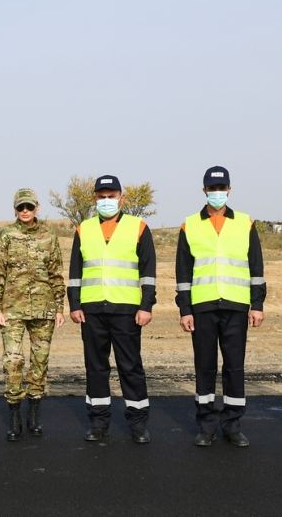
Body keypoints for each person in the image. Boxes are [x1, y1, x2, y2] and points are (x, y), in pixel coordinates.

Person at [175, 166, 265, 448]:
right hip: (202, 307)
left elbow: (256, 268)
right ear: (204, 190)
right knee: (204, 367)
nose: (217, 192)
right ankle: (206, 426)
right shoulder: (190, 225)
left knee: (234, 368)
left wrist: (257, 304)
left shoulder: (245, 223)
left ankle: (233, 425)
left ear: (229, 190)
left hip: (236, 306)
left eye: (221, 188)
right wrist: (185, 309)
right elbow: (183, 273)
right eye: (212, 188)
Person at [68, 175, 157, 444]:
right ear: (94, 198)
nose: (106, 200)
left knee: (130, 367)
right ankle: (98, 423)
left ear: (121, 197)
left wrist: (146, 306)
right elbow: (75, 272)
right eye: (101, 196)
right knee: (96, 368)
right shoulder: (83, 229)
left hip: (126, 310)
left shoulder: (138, 227)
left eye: (111, 196)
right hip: (92, 310)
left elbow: (148, 272)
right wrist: (74, 304)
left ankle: (138, 423)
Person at [0, 188, 65, 441]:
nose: (25, 211)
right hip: (12, 309)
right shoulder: (5, 236)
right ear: (15, 209)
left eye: (29, 206)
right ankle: (14, 416)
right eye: (21, 207)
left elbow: (56, 274)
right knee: (13, 361)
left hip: (44, 309)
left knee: (39, 363)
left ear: (36, 208)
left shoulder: (49, 236)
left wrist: (60, 307)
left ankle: (34, 414)